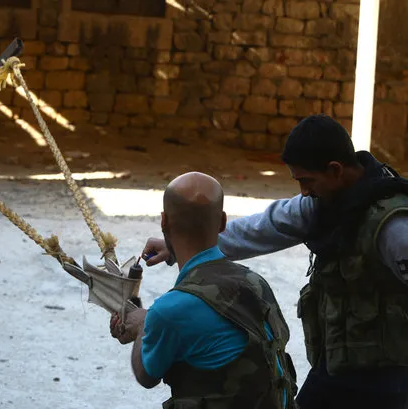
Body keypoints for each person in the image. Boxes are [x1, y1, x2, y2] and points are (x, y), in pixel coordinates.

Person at [143, 114, 408, 409]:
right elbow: (263, 228)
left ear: (335, 170)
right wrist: (176, 242)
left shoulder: (392, 227)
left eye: (307, 181)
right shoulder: (325, 204)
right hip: (340, 364)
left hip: (389, 376)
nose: (303, 191)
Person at [110, 171, 297, 409]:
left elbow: (146, 375)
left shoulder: (170, 310)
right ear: (222, 222)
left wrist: (142, 326)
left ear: (163, 222)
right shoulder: (255, 281)